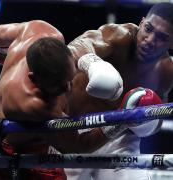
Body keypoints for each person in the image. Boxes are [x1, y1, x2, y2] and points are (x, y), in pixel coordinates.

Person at [0, 20, 125, 179]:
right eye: (58, 87)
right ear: (34, 79)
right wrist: (123, 118)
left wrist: (0, 51)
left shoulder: (40, 30)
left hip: (39, 140)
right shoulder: (35, 105)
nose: (67, 89)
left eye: (70, 79)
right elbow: (78, 144)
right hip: (17, 152)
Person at [65, 2, 173, 180]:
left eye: (161, 37)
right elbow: (77, 46)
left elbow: (157, 118)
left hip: (119, 139)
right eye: (148, 29)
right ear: (141, 22)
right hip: (77, 129)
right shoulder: (119, 36)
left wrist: (147, 123)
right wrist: (93, 63)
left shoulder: (166, 71)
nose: (150, 40)